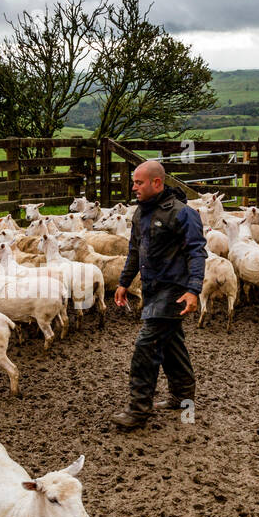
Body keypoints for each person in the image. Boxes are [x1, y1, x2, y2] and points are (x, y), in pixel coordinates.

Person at [110, 160, 207, 429]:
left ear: (157, 182)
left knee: (146, 346)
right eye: (133, 182)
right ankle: (183, 396)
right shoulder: (140, 214)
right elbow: (134, 250)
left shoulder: (183, 214)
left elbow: (196, 252)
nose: (134, 187)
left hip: (174, 290)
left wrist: (193, 290)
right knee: (171, 344)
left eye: (139, 182)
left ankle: (138, 410)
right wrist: (124, 282)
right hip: (152, 289)